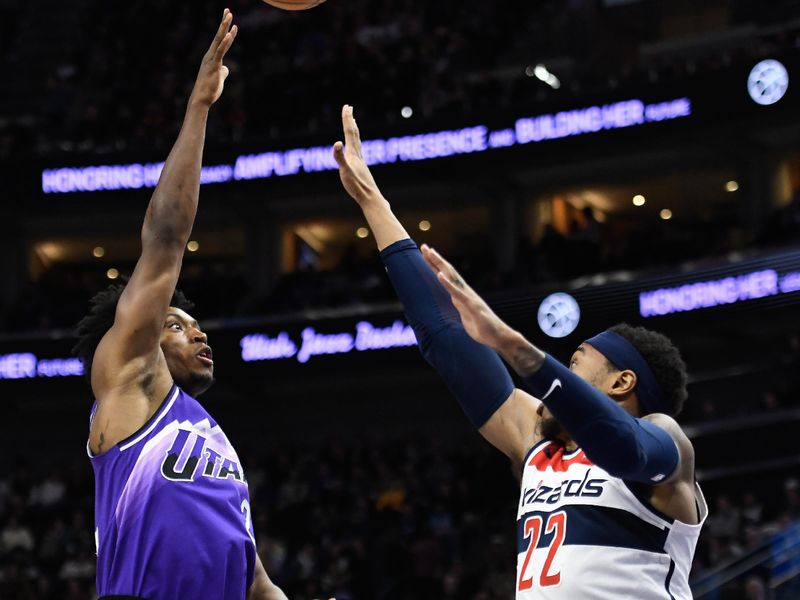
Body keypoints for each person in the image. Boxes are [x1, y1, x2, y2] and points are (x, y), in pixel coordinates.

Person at [333, 104, 707, 599]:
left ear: (623, 381)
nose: (556, 377)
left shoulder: (665, 441)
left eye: (575, 363)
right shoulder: (539, 442)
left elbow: (623, 447)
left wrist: (513, 344)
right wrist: (372, 200)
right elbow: (445, 335)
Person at [72, 11, 287, 600]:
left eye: (196, 325)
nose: (200, 335)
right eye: (176, 323)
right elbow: (166, 239)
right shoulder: (128, 381)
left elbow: (255, 582)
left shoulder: (216, 442)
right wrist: (199, 108)